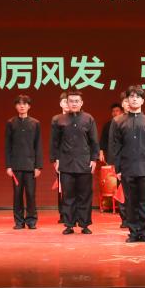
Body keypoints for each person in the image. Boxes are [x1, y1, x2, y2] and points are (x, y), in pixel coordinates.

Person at [108, 86, 145, 243]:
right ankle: (133, 232)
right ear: (127, 100)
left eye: (138, 97)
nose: (134, 99)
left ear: (142, 101)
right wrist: (117, 168)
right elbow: (115, 146)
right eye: (131, 97)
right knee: (130, 202)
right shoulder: (118, 121)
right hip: (127, 168)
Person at [50, 89, 99, 234]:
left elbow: (94, 141)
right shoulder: (59, 120)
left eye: (77, 101)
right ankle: (69, 224)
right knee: (68, 195)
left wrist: (94, 159)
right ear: (67, 102)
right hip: (66, 163)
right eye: (71, 101)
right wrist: (55, 160)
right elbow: (54, 142)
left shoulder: (88, 119)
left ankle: (84, 224)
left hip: (84, 163)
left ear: (81, 103)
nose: (74, 103)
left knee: (85, 195)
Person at [5, 94, 42, 230]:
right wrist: (8, 166)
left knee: (31, 194)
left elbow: (38, 145)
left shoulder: (35, 123)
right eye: (19, 104)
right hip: (16, 166)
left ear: (29, 106)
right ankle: (19, 221)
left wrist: (38, 166)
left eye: (25, 104)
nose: (22, 106)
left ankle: (31, 221)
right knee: (17, 195)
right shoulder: (11, 123)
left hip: (31, 166)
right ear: (16, 106)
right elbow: (8, 146)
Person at [99, 102, 126, 225]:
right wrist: (101, 152)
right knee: (115, 183)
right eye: (113, 111)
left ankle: (127, 210)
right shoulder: (108, 125)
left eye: (117, 111)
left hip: (127, 159)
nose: (115, 113)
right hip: (113, 158)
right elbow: (103, 141)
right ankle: (117, 209)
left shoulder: (126, 122)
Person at [51, 92, 70, 224]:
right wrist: (55, 159)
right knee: (62, 188)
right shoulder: (56, 119)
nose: (67, 104)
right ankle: (63, 214)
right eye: (64, 101)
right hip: (61, 159)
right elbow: (54, 142)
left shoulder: (78, 118)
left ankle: (74, 214)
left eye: (68, 101)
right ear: (60, 104)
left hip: (75, 159)